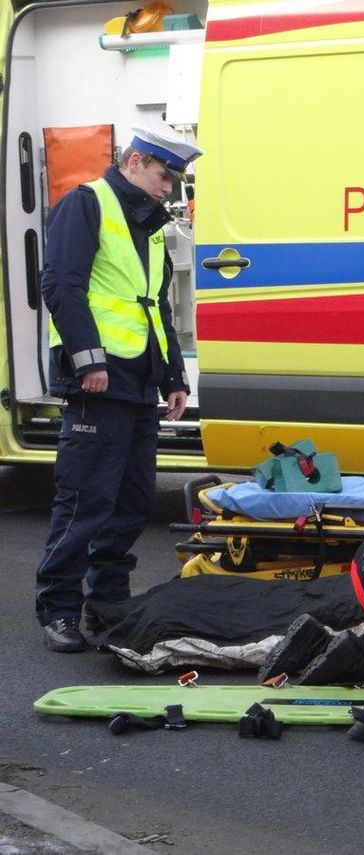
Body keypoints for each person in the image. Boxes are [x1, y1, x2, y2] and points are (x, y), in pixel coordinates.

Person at [35, 126, 199, 653]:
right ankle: (58, 608)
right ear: (134, 161)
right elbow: (61, 285)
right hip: (99, 378)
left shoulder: (148, 223)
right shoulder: (86, 204)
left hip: (137, 380)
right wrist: (88, 360)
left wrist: (174, 377)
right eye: (163, 175)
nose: (168, 189)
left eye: (174, 180)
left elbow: (158, 304)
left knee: (130, 502)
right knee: (86, 501)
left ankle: (108, 601)